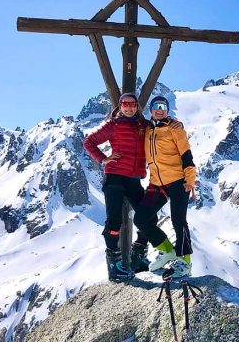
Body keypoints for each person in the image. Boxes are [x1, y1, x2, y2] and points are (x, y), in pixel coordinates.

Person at [83, 93, 151, 282]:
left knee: (148, 217)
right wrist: (103, 159)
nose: (129, 107)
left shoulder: (144, 126)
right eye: (125, 104)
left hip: (134, 179)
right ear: (120, 106)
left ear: (137, 106)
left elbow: (160, 133)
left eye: (132, 104)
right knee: (114, 222)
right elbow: (89, 142)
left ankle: (139, 256)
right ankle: (114, 266)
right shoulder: (113, 125)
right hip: (114, 177)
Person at [134, 95, 197, 278]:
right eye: (156, 106)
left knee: (179, 221)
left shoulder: (175, 129)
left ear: (167, 110)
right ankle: (167, 250)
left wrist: (190, 180)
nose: (160, 109)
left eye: (163, 106)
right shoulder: (146, 129)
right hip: (157, 183)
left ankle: (185, 262)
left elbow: (187, 156)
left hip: (178, 180)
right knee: (141, 218)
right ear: (151, 109)